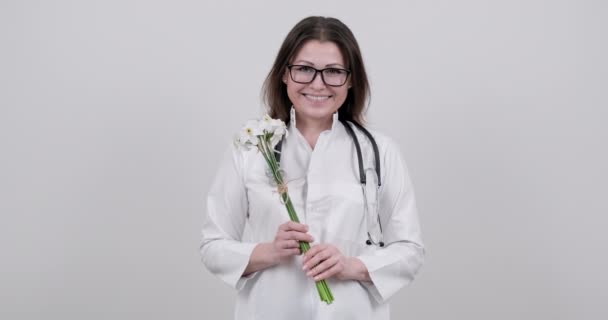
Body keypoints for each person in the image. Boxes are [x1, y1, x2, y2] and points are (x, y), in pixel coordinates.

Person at [200, 16, 424, 320]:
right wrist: (270, 251)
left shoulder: (380, 151)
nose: (317, 84)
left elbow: (410, 251)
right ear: (284, 74)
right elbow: (213, 246)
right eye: (304, 69)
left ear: (351, 79)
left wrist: (351, 266)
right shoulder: (251, 147)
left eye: (333, 72)